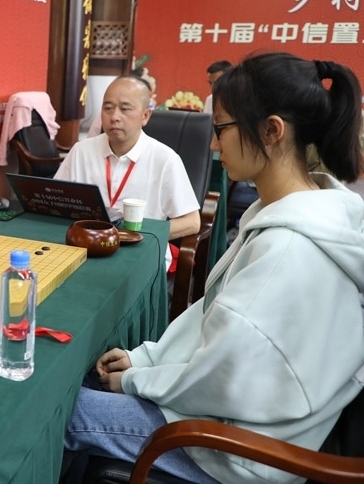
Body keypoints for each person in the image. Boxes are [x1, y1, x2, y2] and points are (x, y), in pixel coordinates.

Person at [62, 52, 364, 483]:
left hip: (235, 448)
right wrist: (144, 359)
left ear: (271, 131)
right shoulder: (295, 212)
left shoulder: (286, 251)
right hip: (239, 414)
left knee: (59, 412)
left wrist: (135, 380)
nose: (213, 145)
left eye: (221, 129)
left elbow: (220, 378)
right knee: (86, 378)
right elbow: (215, 327)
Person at [56, 75, 200, 270]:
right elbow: (56, 203)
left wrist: (139, 233)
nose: (114, 116)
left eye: (125, 109)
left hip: (140, 254)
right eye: (108, 108)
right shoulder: (81, 151)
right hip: (85, 247)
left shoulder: (165, 159)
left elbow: (192, 222)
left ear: (145, 116)